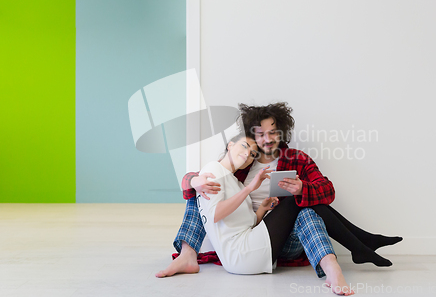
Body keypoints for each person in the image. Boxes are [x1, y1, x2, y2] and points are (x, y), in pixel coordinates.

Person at [156, 103, 402, 291]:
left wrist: (302, 189)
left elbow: (328, 191)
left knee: (304, 207)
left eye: (273, 132)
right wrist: (195, 181)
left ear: (281, 132)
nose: (267, 139)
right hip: (249, 238)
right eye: (260, 134)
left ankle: (334, 265)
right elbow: (195, 182)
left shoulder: (297, 158)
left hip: (290, 240)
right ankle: (362, 243)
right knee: (199, 192)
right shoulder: (242, 161)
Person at [191, 133, 355, 295]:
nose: (248, 155)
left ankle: (341, 259)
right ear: (230, 145)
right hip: (240, 254)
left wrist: (263, 208)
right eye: (244, 146)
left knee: (304, 207)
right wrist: (250, 188)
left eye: (253, 154)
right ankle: (357, 243)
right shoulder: (213, 169)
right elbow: (215, 215)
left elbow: (248, 224)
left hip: (246, 249)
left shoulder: (236, 182)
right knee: (294, 200)